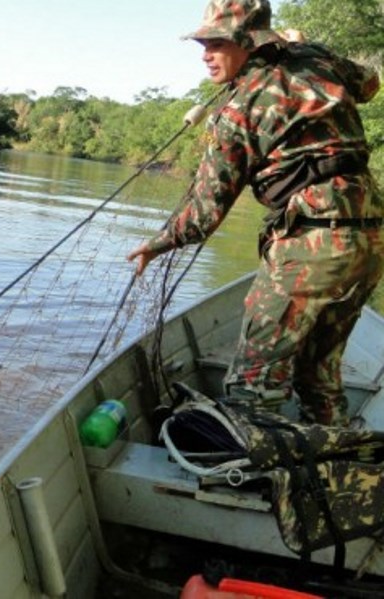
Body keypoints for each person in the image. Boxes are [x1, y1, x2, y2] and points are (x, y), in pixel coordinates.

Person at [127, 0, 384, 426]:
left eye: (216, 42)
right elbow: (370, 83)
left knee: (250, 387)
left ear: (247, 41)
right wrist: (307, 47)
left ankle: (259, 486)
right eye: (202, 43)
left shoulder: (236, 113)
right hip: (371, 241)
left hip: (312, 245)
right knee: (317, 375)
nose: (205, 53)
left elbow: (203, 216)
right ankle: (337, 474)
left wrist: (156, 245)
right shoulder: (315, 61)